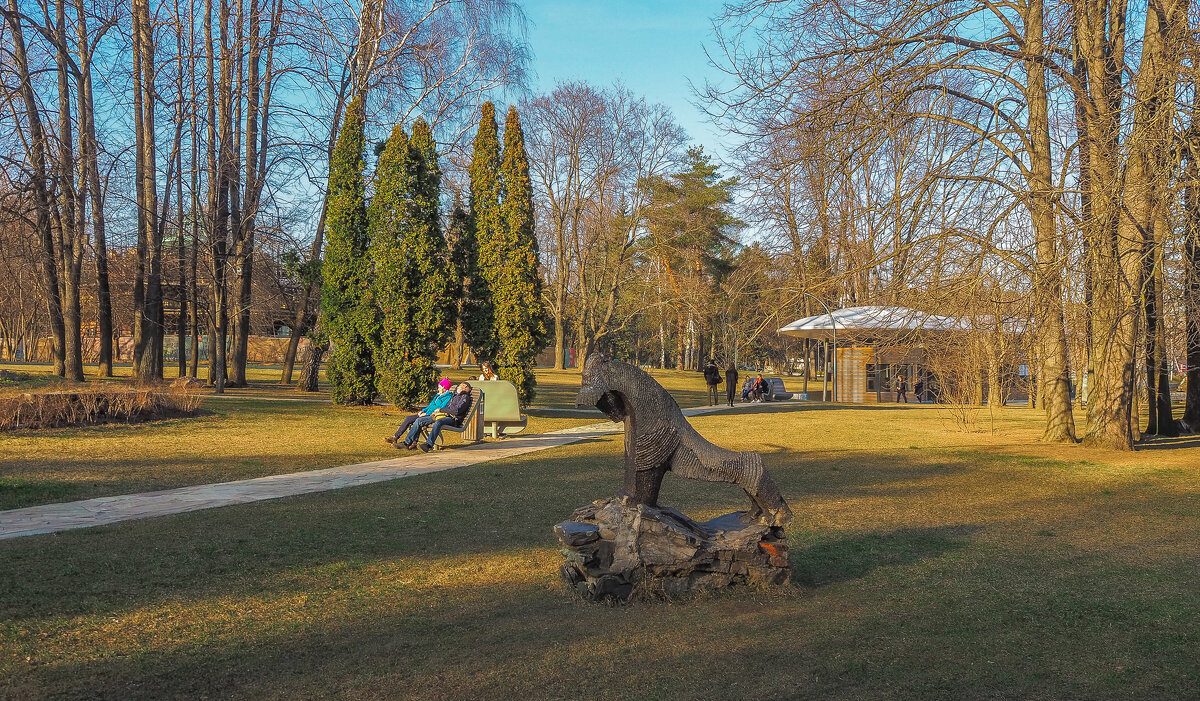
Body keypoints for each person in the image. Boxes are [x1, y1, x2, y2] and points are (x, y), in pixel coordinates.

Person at [402, 381, 474, 452]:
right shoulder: (454, 396)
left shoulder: (465, 398)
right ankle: (407, 443)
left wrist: (442, 410)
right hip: (442, 415)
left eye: (462, 385)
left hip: (453, 419)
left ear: (465, 388)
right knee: (419, 420)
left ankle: (428, 445)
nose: (460, 385)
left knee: (438, 422)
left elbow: (457, 411)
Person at [385, 378, 453, 447]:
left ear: (444, 388)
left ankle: (411, 442)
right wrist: (423, 410)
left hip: (433, 415)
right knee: (409, 418)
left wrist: (426, 414)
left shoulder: (448, 397)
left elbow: (439, 408)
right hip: (426, 413)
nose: (438, 389)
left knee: (418, 421)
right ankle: (396, 437)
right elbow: (430, 406)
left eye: (439, 387)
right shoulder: (438, 395)